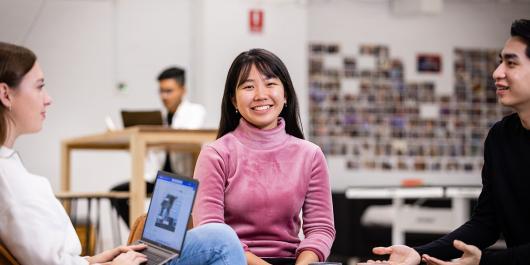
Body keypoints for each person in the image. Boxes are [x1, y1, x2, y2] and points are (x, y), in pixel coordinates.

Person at [0, 41, 246, 265]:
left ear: (182, 90)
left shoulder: (10, 167)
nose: (48, 99)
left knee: (214, 235)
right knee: (221, 239)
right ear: (5, 94)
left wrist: (93, 260)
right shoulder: (6, 177)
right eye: (39, 87)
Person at [370, 19, 530, 265]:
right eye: (500, 62)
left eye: (511, 63)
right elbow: (486, 223)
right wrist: (419, 254)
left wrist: (484, 262)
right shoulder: (500, 137)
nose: (497, 72)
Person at [192, 48, 336, 265]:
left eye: (270, 84)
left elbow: (320, 229)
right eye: (248, 86)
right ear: (233, 101)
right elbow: (212, 233)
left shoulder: (310, 155)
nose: (261, 95)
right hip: (230, 260)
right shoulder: (216, 154)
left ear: (285, 94)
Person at [111, 66, 206, 226]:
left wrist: (157, 134)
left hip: (181, 176)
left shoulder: (195, 111)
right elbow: (150, 151)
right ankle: (139, 233)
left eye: (169, 91)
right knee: (117, 193)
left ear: (183, 90)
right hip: (159, 176)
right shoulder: (161, 118)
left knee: (168, 219)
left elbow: (186, 137)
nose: (164, 96)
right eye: (161, 91)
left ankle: (149, 235)